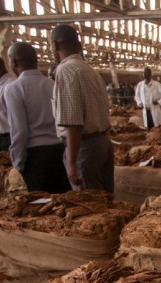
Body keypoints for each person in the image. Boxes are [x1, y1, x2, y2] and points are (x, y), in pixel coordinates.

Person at [51, 24, 113, 192]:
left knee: (90, 205)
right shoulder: (90, 70)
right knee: (106, 202)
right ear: (78, 46)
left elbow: (73, 120)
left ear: (55, 45)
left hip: (84, 148)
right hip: (102, 144)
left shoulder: (65, 70)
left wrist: (71, 162)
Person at [3, 42, 70, 193]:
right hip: (59, 151)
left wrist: (18, 161)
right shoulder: (52, 84)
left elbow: (19, 130)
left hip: (36, 156)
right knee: (62, 201)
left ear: (13, 62)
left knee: (42, 206)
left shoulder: (14, 89)